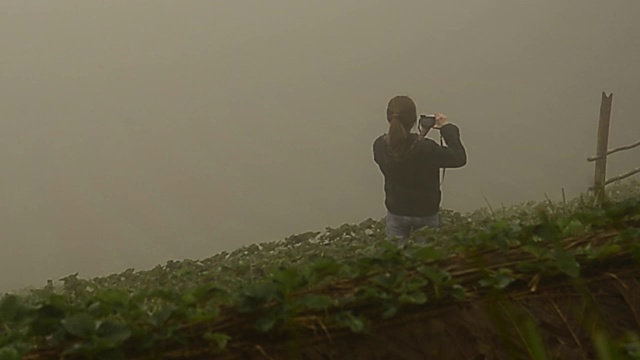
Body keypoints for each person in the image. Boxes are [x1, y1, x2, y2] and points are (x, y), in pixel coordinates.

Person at [373, 95, 467, 241]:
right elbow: (459, 158)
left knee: (394, 258)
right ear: (414, 119)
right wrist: (447, 128)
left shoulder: (379, 145)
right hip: (425, 213)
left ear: (389, 118)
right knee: (426, 257)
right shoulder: (427, 148)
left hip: (397, 211)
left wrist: (421, 135)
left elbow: (404, 154)